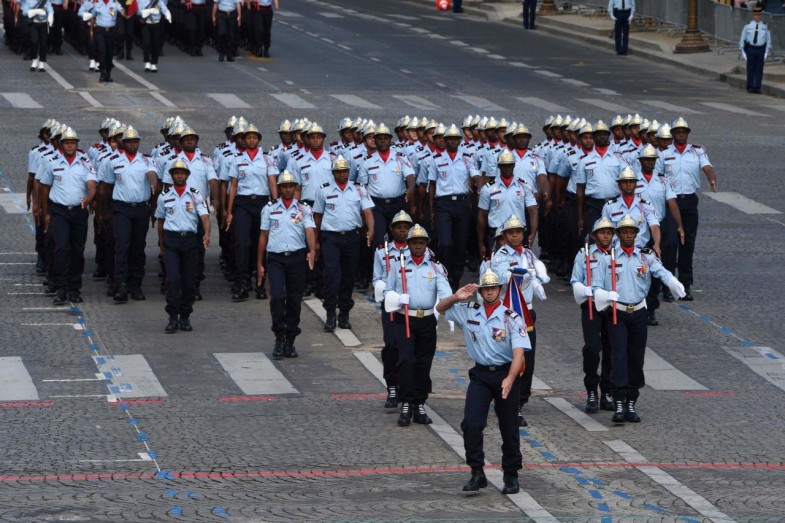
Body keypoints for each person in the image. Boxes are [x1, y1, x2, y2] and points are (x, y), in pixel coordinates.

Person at [436, 268, 528, 495]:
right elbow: (440, 308)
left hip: (506, 373)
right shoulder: (469, 311)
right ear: (481, 291)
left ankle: (511, 474)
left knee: (509, 426)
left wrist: (510, 378)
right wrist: (456, 296)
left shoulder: (511, 318)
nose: (489, 292)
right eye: (486, 289)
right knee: (471, 423)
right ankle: (477, 472)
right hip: (480, 375)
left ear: (499, 289)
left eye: (493, 288)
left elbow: (519, 353)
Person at [592, 215, 685, 423]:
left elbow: (660, 271)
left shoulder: (645, 256)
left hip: (639, 312)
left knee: (636, 357)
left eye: (631, 232)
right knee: (618, 356)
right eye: (624, 232)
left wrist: (672, 281)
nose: (628, 235)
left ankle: (631, 401)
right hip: (617, 312)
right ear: (618, 234)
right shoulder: (608, 258)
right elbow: (596, 285)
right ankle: (618, 401)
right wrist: (605, 295)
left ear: (636, 234)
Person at [383, 224, 451, 426]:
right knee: (407, 361)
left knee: (424, 363)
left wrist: (450, 307)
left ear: (426, 244)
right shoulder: (399, 264)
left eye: (422, 242)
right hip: (405, 319)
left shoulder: (435, 267)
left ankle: (419, 403)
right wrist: (397, 298)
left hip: (427, 320)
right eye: (415, 242)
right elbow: (387, 290)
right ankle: (406, 403)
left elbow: (445, 292)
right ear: (409, 244)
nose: (418, 246)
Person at [489, 215, 549, 427]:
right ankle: (506, 401)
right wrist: (526, 273)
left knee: (527, 361)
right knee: (506, 359)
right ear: (505, 235)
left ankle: (519, 402)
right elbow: (503, 277)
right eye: (511, 232)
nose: (515, 236)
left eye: (518, 232)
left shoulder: (529, 254)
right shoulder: (500, 256)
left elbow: (536, 272)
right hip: (508, 314)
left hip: (527, 313)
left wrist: (539, 276)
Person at [654, 117, 718, 301]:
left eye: (684, 132)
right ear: (673, 134)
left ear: (687, 134)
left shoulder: (697, 151)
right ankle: (668, 285)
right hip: (670, 202)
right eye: (678, 132)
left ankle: (685, 284)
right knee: (670, 244)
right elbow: (658, 176)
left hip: (689, 201)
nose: (681, 135)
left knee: (687, 245)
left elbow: (707, 167)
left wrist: (712, 178)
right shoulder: (664, 154)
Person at [257, 171, 316, 359]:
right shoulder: (269, 208)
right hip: (276, 259)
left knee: (294, 300)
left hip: (296, 259)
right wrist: (259, 264)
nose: (288, 189)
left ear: (295, 188)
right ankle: (279, 336)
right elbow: (263, 236)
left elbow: (310, 231)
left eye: (291, 186)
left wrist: (312, 250)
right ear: (280, 188)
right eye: (285, 186)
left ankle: (290, 339)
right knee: (277, 296)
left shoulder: (303, 209)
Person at [313, 156, 374, 332]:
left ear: (348, 172)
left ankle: (344, 314)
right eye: (338, 172)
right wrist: (315, 242)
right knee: (332, 274)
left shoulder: (359, 189)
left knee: (348, 276)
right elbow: (317, 217)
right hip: (331, 238)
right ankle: (330, 313)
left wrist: (371, 230)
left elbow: (367, 212)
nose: (341, 174)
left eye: (344, 171)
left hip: (352, 238)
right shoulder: (324, 190)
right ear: (333, 173)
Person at [97, 126, 158, 302]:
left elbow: (152, 174)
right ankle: (121, 284)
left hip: (141, 209)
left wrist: (153, 185)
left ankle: (135, 285)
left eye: (135, 141)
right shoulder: (113, 160)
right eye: (129, 142)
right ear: (123, 143)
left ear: (138, 143)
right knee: (122, 246)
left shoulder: (147, 160)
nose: (132, 144)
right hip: (121, 209)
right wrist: (104, 210)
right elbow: (106, 187)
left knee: (138, 248)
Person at [39, 128, 96, 305]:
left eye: (73, 143)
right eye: (67, 143)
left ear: (77, 144)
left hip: (79, 212)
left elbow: (92, 184)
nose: (70, 146)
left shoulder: (85, 162)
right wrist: (45, 212)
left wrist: (89, 198)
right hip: (59, 212)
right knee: (62, 248)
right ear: (62, 145)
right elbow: (44, 188)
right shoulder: (52, 161)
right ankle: (61, 287)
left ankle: (74, 288)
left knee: (77, 250)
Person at [155, 159, 210, 333]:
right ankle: (172, 317)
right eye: (176, 173)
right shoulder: (164, 196)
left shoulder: (195, 195)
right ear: (172, 176)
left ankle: (185, 316)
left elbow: (205, 217)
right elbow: (160, 221)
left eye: (182, 173)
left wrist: (207, 233)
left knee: (188, 281)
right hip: (171, 241)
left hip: (190, 242)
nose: (179, 176)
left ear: (187, 175)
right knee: (172, 280)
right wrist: (162, 246)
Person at [224, 123, 278, 301]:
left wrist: (276, 204)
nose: (252, 140)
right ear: (243, 140)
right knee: (242, 243)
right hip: (243, 204)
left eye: (254, 137)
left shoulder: (267, 159)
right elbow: (233, 186)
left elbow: (272, 182)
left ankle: (260, 284)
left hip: (262, 203)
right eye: (248, 137)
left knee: (260, 244)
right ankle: (242, 283)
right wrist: (229, 211)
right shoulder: (237, 159)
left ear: (259, 139)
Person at [570, 218, 614, 413]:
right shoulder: (584, 254)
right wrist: (584, 290)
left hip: (612, 307)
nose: (606, 236)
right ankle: (591, 390)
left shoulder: (617, 254)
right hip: (591, 306)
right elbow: (575, 280)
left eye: (609, 233)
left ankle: (607, 391)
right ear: (595, 235)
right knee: (592, 349)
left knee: (611, 350)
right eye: (602, 232)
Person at [372, 210, 413, 408]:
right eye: (399, 227)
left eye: (406, 227)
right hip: (391, 306)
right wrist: (389, 294)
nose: (402, 230)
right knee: (391, 346)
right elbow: (377, 279)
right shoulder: (382, 252)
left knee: (409, 350)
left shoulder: (419, 249)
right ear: (392, 229)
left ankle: (408, 388)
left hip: (411, 306)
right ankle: (392, 386)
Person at [739, 3, 771, 94]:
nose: (758, 17)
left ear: (761, 15)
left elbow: (768, 40)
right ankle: (750, 87)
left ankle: (757, 87)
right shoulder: (748, 26)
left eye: (759, 15)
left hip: (761, 49)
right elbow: (742, 39)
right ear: (753, 15)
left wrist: (766, 52)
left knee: (759, 69)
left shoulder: (765, 26)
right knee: (750, 69)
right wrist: (743, 52)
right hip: (751, 49)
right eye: (756, 15)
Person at [137, 0, 171, 72]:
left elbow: (164, 9)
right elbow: (138, 12)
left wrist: (168, 14)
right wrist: (149, 11)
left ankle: (154, 63)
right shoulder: (142, 1)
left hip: (156, 24)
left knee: (155, 44)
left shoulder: (159, 1)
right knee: (146, 43)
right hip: (146, 24)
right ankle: (147, 62)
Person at [20, 0, 53, 71]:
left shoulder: (46, 1)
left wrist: (50, 15)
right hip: (34, 24)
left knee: (43, 44)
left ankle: (41, 63)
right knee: (34, 41)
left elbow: (50, 10)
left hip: (43, 24)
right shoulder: (29, 1)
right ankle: (34, 60)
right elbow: (24, 12)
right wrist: (35, 11)